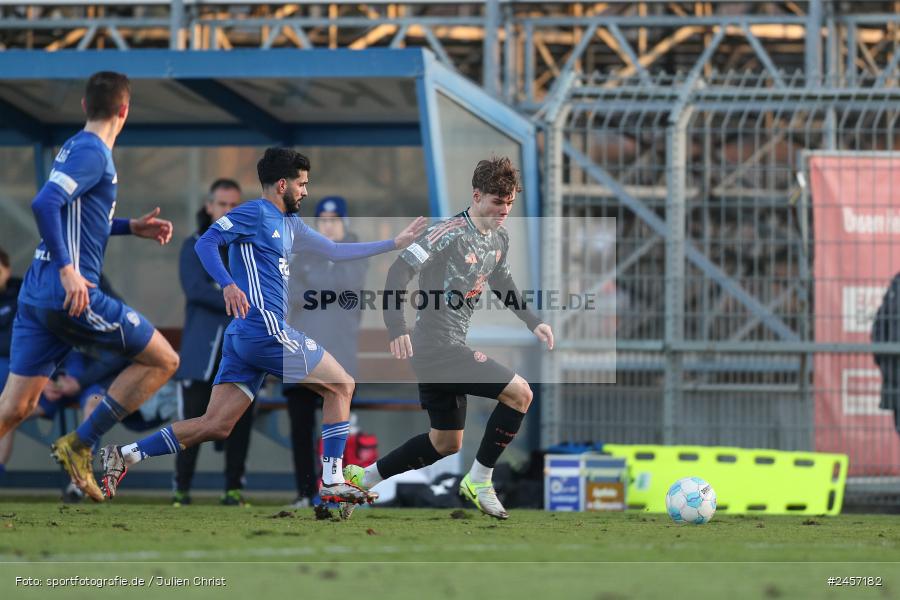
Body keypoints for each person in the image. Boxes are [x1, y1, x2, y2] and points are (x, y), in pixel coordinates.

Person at [100, 147, 427, 506]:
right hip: (264, 329)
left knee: (215, 424)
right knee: (342, 385)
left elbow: (334, 251)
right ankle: (332, 480)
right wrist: (227, 282)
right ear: (282, 184)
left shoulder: (291, 224)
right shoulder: (254, 213)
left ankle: (125, 454)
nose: (305, 191)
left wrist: (393, 243)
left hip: (243, 338)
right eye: (302, 184)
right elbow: (207, 242)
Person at [0, 72, 180, 502]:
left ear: (84, 105)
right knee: (162, 360)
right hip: (69, 294)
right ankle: (81, 443)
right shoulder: (94, 152)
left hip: (37, 292)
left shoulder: (73, 147)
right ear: (125, 111)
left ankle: (79, 442)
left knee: (15, 408)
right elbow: (44, 203)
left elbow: (74, 217)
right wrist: (68, 269)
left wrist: (128, 226)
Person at [342, 156, 554, 520]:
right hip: (435, 346)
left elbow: (501, 282)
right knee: (521, 393)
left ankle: (361, 480)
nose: (504, 211)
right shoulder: (447, 232)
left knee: (445, 443)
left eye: (509, 204)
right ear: (476, 195)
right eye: (497, 202)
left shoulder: (499, 238)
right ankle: (481, 480)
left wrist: (531, 320)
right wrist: (396, 326)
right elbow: (398, 270)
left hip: (444, 349)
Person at [173, 178, 255, 507]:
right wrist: (232, 292)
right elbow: (195, 290)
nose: (228, 210)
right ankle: (181, 489)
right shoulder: (194, 244)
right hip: (200, 354)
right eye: (222, 204)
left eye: (234, 205)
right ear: (209, 207)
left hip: (241, 351)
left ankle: (233, 489)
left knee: (240, 421)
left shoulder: (247, 246)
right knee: (192, 422)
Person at [284, 196, 370, 508]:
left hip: (340, 357)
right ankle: (306, 493)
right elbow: (293, 294)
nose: (328, 226)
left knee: (337, 429)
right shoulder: (304, 253)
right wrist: (319, 275)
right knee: (301, 429)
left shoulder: (356, 252)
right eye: (322, 221)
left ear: (344, 224)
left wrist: (314, 275)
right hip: (302, 356)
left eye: (334, 220)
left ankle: (336, 491)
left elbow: (346, 283)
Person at [0, 246, 22, 477]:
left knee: (7, 410)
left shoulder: (22, 294)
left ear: (7, 270)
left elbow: (15, 342)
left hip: (17, 371)